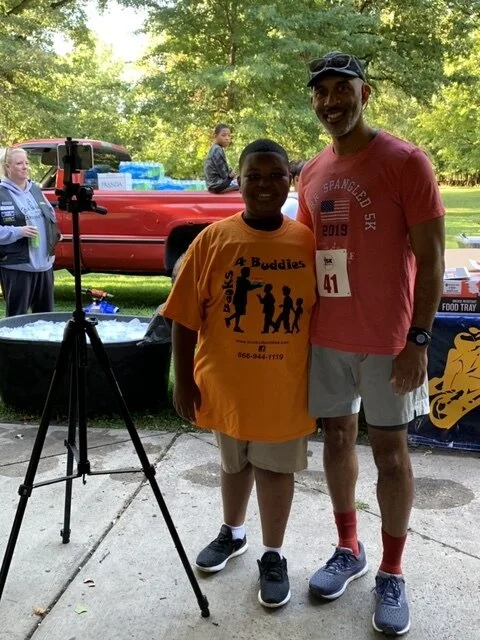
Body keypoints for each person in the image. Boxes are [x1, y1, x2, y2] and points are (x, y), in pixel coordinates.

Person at [297, 51, 445, 636]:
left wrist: (418, 340)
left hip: (389, 340)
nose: (331, 101)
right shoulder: (311, 171)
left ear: (365, 93)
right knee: (337, 439)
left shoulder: (406, 161)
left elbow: (432, 261)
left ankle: (392, 569)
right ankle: (349, 548)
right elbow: (302, 252)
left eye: (343, 89)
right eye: (321, 92)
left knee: (390, 453)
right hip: (327, 337)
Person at [162, 139, 317, 609]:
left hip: (285, 387)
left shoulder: (307, 242)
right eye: (254, 176)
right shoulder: (214, 240)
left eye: (275, 175)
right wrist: (184, 380)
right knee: (234, 464)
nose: (265, 185)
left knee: (274, 470)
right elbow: (183, 316)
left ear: (290, 181)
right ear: (239, 181)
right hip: (227, 384)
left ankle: (274, 554)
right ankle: (233, 532)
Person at [0, 148, 60, 317]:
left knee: (46, 318)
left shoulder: (35, 189)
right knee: (17, 319)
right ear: (7, 167)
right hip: (17, 267)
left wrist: (54, 233)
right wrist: (18, 231)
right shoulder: (1, 193)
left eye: (26, 162)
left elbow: (50, 215)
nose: (25, 167)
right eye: (19, 163)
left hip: (44, 266)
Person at [204, 124, 239, 193]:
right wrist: (232, 176)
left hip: (213, 185)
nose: (227, 138)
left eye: (229, 136)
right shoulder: (217, 150)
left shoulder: (215, 148)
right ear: (215, 136)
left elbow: (225, 169)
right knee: (244, 185)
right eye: (224, 135)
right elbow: (224, 175)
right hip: (217, 186)